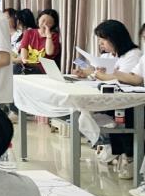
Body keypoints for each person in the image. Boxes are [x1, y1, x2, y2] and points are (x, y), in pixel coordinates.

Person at [75, 20, 142, 175]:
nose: (101, 44)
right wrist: (87, 73)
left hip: (128, 101)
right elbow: (104, 76)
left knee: (118, 115)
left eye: (103, 40)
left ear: (115, 38)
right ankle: (110, 146)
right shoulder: (108, 55)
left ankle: (126, 154)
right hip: (111, 97)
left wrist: (97, 74)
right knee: (83, 109)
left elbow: (125, 79)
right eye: (99, 40)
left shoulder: (133, 55)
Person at [18, 9, 61, 74]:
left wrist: (48, 36)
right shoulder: (29, 32)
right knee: (15, 68)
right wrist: (24, 59)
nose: (45, 24)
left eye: (49, 22)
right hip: (28, 65)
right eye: (43, 20)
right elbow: (24, 47)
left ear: (53, 24)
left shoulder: (54, 36)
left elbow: (49, 52)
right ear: (38, 19)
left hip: (43, 68)